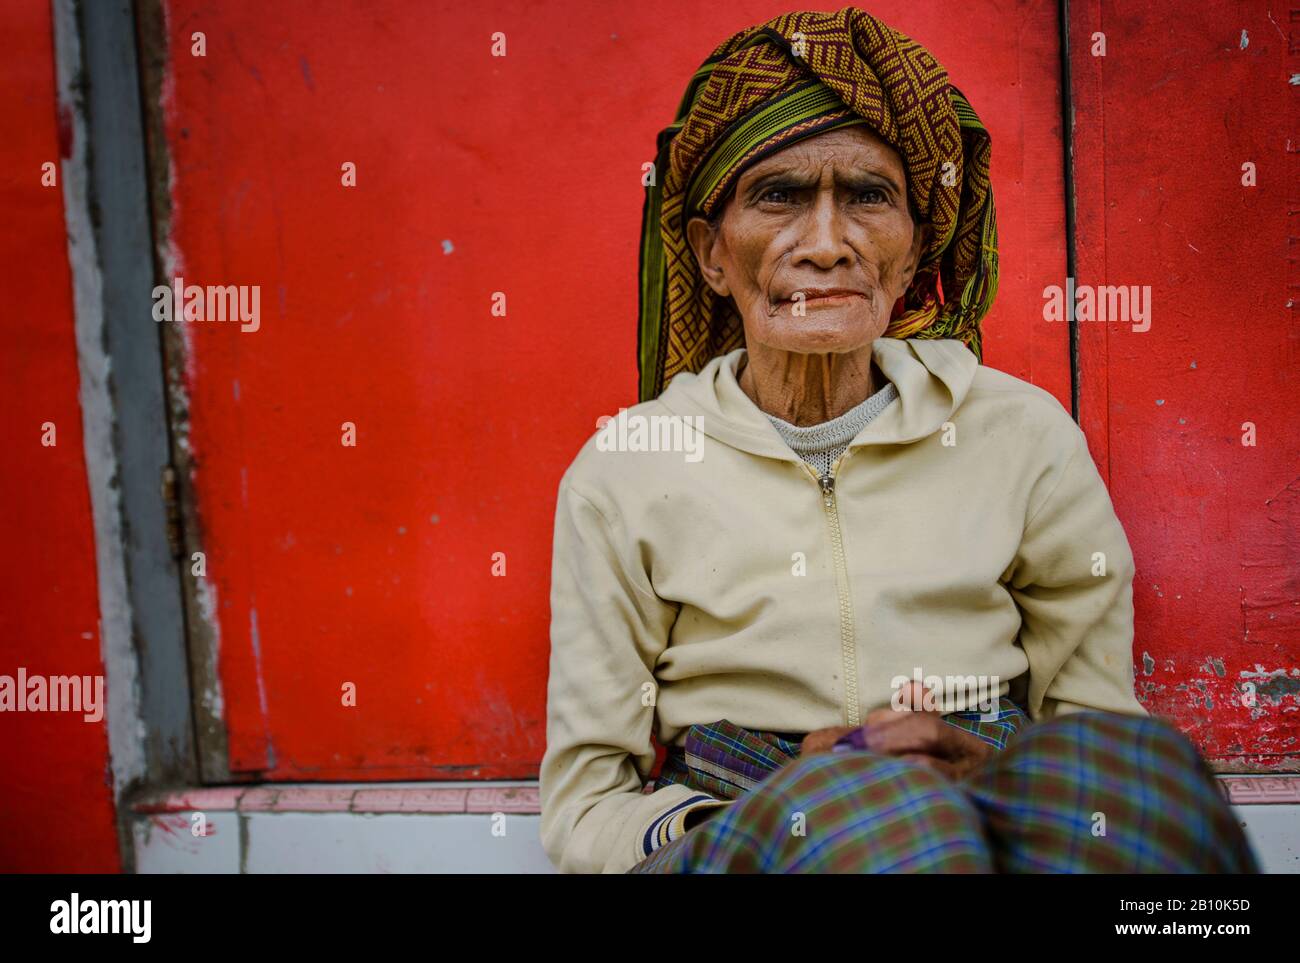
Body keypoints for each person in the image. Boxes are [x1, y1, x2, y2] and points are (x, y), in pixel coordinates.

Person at [538, 6, 1261, 874]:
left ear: (916, 250)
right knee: (887, 826)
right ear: (710, 253)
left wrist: (997, 776)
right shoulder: (624, 470)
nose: (827, 243)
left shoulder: (1020, 434)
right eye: (780, 196)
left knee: (1166, 798)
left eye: (869, 198)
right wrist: (774, 814)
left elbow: (1095, 729)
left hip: (982, 795)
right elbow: (587, 803)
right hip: (747, 822)